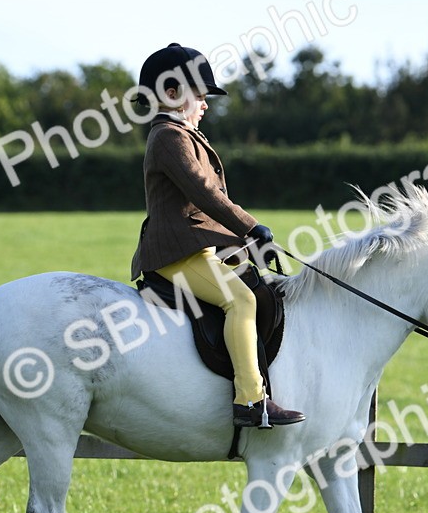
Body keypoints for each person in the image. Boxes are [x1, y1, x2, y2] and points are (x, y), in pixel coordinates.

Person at [129, 43, 305, 429]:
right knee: (240, 300)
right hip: (175, 255)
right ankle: (250, 400)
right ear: (171, 94)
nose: (205, 104)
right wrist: (250, 227)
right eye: (199, 95)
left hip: (196, 250)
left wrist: (246, 244)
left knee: (258, 285)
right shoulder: (168, 137)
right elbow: (206, 194)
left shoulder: (182, 134)